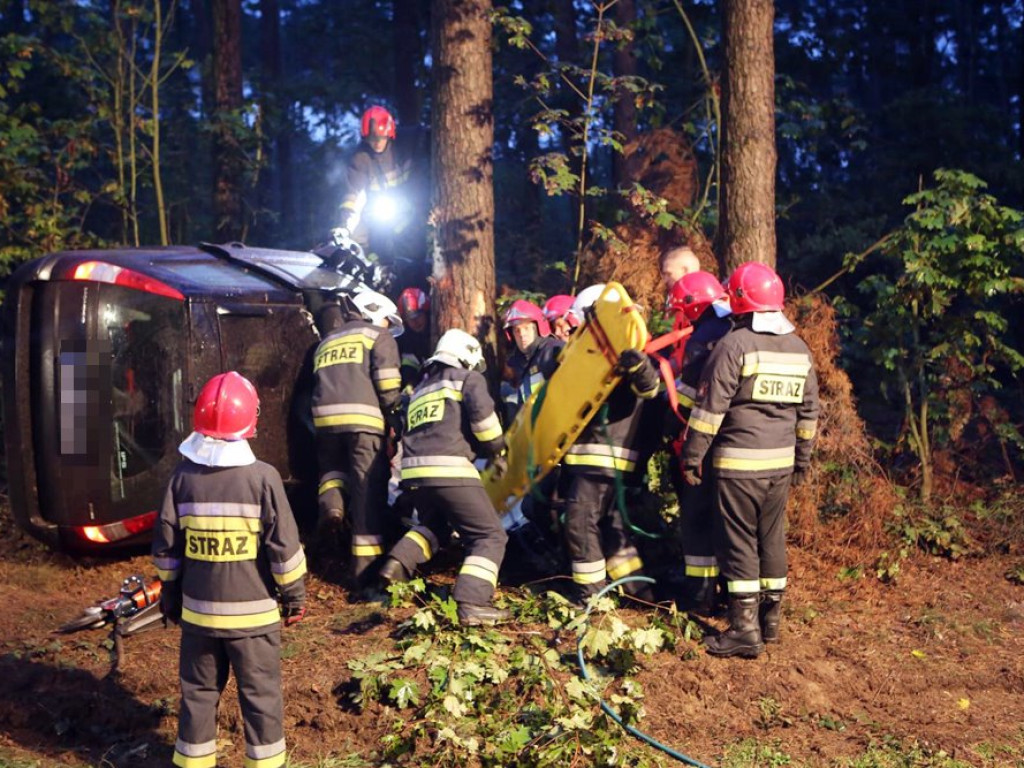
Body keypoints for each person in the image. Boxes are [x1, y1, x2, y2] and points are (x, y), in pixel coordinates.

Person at [152, 371, 307, 768]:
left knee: (199, 696)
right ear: (250, 421)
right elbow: (284, 551)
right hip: (254, 621)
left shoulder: (182, 479)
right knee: (261, 700)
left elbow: (167, 551)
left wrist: (170, 595)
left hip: (199, 617)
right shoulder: (263, 479)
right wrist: (294, 599)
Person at [680, 261, 819, 658]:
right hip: (780, 466)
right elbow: (809, 414)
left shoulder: (733, 346)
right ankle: (770, 621)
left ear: (739, 300)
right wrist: (802, 461)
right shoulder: (799, 349)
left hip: (739, 465)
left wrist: (692, 458)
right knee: (771, 538)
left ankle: (744, 631)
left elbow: (709, 410)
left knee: (738, 542)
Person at [377, 328, 510, 626]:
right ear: (467, 355)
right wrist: (499, 450)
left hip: (413, 475)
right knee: (489, 535)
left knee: (435, 524)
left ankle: (398, 562)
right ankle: (473, 601)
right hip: (449, 470)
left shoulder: (421, 389)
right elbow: (487, 430)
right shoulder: (468, 379)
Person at [561, 284, 661, 605]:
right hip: (594, 460)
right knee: (612, 528)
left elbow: (650, 387)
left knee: (580, 522)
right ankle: (640, 593)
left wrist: (639, 368)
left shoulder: (626, 351)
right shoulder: (589, 358)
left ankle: (590, 598)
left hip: (602, 459)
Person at [311, 290, 404, 593]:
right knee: (367, 495)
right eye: (388, 321)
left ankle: (332, 508)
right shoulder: (377, 335)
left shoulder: (327, 340)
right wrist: (396, 420)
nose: (389, 328)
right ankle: (364, 574)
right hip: (364, 423)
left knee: (333, 474)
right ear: (376, 313)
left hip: (324, 423)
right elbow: (388, 385)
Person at [665, 271, 734, 614]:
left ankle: (700, 597)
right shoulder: (736, 325)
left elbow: (689, 399)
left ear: (691, 306)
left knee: (696, 519)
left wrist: (666, 419)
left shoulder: (702, 338)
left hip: (705, 444)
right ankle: (737, 597)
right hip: (741, 442)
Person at [334, 105, 424, 284]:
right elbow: (354, 194)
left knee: (415, 252)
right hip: (379, 212)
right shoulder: (361, 159)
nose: (376, 143)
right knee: (365, 241)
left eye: (381, 138)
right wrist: (345, 226)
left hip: (413, 207)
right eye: (371, 138)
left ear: (390, 134)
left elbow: (426, 136)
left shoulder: (407, 142)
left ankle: (414, 276)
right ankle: (376, 275)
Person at [502, 299, 563, 419]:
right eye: (516, 330)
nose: (521, 334)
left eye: (526, 328)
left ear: (538, 328)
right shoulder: (513, 364)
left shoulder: (554, 351)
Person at [396, 286, 432, 391]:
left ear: (426, 312)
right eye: (410, 319)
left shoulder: (436, 328)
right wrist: (409, 382)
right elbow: (410, 363)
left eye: (418, 316)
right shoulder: (407, 340)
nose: (415, 322)